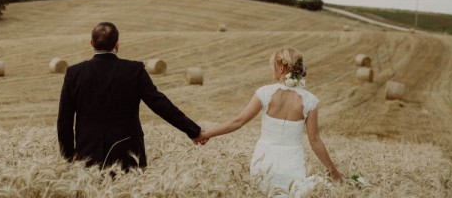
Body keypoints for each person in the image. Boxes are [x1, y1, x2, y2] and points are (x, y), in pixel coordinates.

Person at [57, 22, 206, 171]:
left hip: (88, 154)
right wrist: (192, 130)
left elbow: (64, 120)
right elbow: (159, 104)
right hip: (128, 153)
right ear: (117, 44)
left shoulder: (74, 73)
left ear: (91, 43)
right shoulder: (134, 70)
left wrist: (68, 158)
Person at [199, 47, 341, 197]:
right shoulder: (310, 101)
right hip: (292, 165)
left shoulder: (265, 93)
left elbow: (238, 121)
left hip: (263, 163)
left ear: (281, 68)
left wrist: (207, 134)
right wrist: (333, 171)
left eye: (272, 66)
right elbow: (315, 140)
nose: (272, 70)